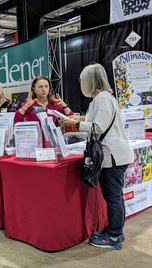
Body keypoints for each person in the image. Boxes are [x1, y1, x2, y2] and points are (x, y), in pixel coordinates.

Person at [63, 64, 134, 250]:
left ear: (89, 81)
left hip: (113, 156)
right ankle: (115, 230)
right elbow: (96, 121)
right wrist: (81, 120)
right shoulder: (102, 98)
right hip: (115, 153)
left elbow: (98, 127)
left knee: (113, 197)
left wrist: (75, 124)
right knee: (115, 196)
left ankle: (114, 235)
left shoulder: (102, 98)